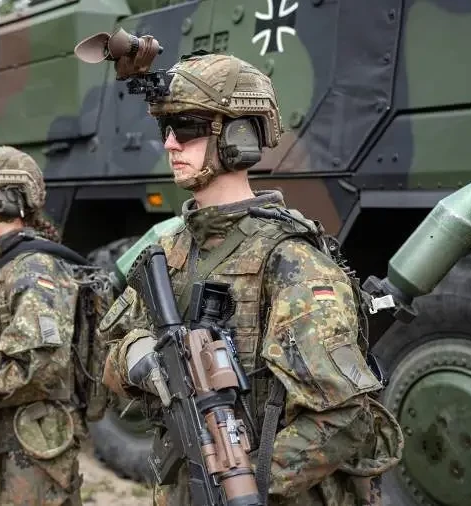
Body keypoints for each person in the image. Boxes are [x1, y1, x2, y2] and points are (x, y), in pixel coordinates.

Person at [98, 52, 403, 505]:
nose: (170, 144)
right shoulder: (170, 250)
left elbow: (344, 417)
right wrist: (139, 357)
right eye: (165, 128)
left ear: (236, 136)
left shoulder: (291, 260)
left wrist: (246, 484)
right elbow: (108, 357)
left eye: (186, 127)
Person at [0, 146, 84, 506]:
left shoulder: (34, 267)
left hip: (33, 434)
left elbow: (42, 366)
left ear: (8, 197)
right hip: (0, 428)